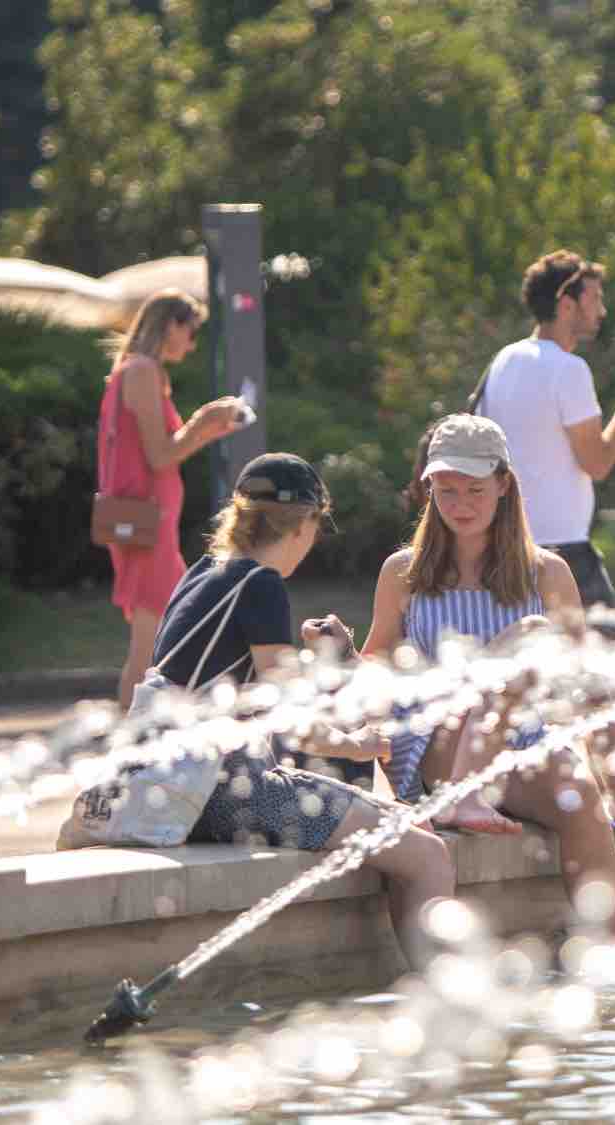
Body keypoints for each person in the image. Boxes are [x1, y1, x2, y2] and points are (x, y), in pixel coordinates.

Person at [137, 452, 454, 971]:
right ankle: (444, 1002)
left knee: (406, 826)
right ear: (306, 524)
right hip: (230, 794)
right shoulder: (260, 584)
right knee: (428, 856)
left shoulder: (202, 574)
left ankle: (413, 981)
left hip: (181, 784)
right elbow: (290, 720)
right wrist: (361, 745)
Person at [360, 413, 615, 935]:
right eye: (446, 491)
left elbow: (590, 692)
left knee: (580, 796)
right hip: (439, 738)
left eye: (474, 490)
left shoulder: (547, 573)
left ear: (503, 487)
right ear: (428, 491)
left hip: (524, 744)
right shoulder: (402, 571)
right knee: (533, 633)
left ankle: (613, 970)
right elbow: (372, 671)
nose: (460, 505)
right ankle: (463, 795)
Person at [471, 250, 615, 608]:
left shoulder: (503, 361)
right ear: (566, 304)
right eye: (594, 298)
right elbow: (598, 463)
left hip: (503, 550)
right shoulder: (569, 369)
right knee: (606, 656)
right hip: (564, 555)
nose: (602, 311)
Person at [98, 289, 248, 710]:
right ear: (171, 325)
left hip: (148, 523)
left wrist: (209, 429)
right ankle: (132, 745)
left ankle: (151, 731)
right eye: (191, 331)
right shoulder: (143, 371)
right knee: (148, 644)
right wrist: (201, 420)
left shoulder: (139, 371)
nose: (192, 342)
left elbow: (163, 453)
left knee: (166, 633)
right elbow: (160, 454)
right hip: (146, 525)